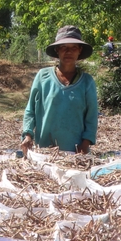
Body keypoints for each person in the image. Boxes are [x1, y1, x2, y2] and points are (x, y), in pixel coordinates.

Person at [21, 25, 99, 156]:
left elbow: (91, 118)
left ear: (79, 51)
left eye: (74, 48)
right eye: (64, 47)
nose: (68, 52)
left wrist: (84, 145)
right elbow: (30, 110)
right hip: (45, 151)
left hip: (75, 153)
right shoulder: (43, 77)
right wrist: (28, 135)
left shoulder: (87, 82)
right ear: (57, 50)